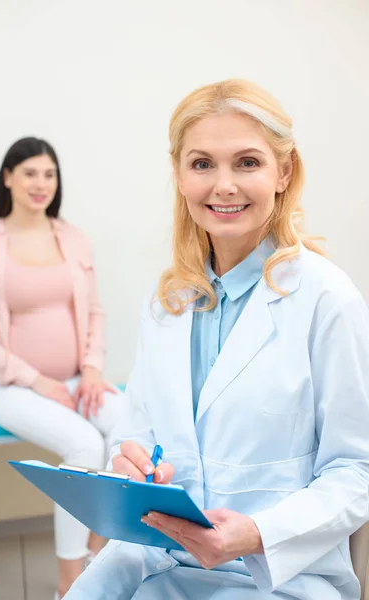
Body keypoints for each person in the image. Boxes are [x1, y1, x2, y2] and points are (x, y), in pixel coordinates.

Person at [63, 79, 369, 600]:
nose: (223, 185)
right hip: (157, 558)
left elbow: (356, 470)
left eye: (247, 162)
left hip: (276, 574)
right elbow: (133, 435)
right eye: (202, 164)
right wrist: (129, 464)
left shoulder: (326, 298)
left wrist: (255, 533)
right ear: (180, 176)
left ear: (284, 172)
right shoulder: (168, 301)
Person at [0, 137, 127, 599]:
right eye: (31, 173)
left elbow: (95, 311)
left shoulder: (71, 237)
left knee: (129, 427)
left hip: (76, 378)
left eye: (49, 174)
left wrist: (93, 370)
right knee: (83, 444)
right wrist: (37, 381)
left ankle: (101, 548)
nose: (42, 184)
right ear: (8, 178)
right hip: (5, 385)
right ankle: (70, 584)